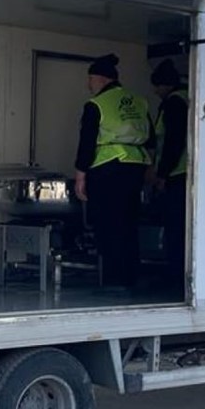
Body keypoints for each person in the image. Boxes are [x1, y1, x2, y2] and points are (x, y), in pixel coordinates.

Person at [74, 53, 151, 295]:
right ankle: (131, 276)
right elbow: (152, 138)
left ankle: (114, 280)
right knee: (129, 222)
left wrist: (80, 175)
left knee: (109, 224)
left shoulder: (96, 104)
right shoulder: (139, 101)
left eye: (90, 80)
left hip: (107, 167)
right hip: (135, 165)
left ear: (99, 79)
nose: (89, 86)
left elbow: (87, 142)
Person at [146, 58, 189, 290]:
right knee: (178, 228)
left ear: (166, 85)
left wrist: (161, 174)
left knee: (175, 228)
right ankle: (175, 273)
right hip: (181, 173)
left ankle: (174, 276)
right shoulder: (184, 99)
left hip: (177, 174)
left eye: (157, 86)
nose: (155, 91)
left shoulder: (174, 104)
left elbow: (173, 142)